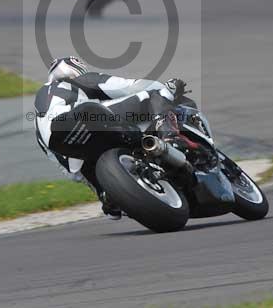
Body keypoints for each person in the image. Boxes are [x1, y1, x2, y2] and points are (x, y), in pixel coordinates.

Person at [33, 56, 188, 219]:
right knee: (154, 95)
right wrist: (168, 89)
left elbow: (68, 169)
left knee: (109, 203)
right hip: (85, 116)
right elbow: (129, 86)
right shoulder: (78, 80)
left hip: (66, 148)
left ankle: (107, 197)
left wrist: (101, 189)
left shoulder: (39, 123)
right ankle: (172, 139)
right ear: (73, 68)